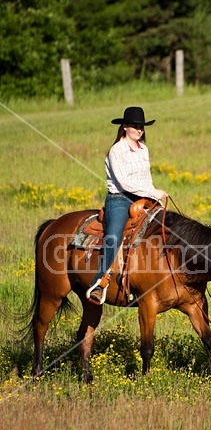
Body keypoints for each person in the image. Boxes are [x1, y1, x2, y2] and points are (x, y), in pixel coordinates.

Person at [86, 106, 168, 304]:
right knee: (114, 237)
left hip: (144, 199)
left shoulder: (143, 149)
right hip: (120, 200)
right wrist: (151, 192)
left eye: (141, 127)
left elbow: (146, 178)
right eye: (134, 126)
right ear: (124, 127)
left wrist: (153, 195)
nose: (139, 130)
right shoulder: (117, 151)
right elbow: (123, 183)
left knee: (166, 228)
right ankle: (100, 282)